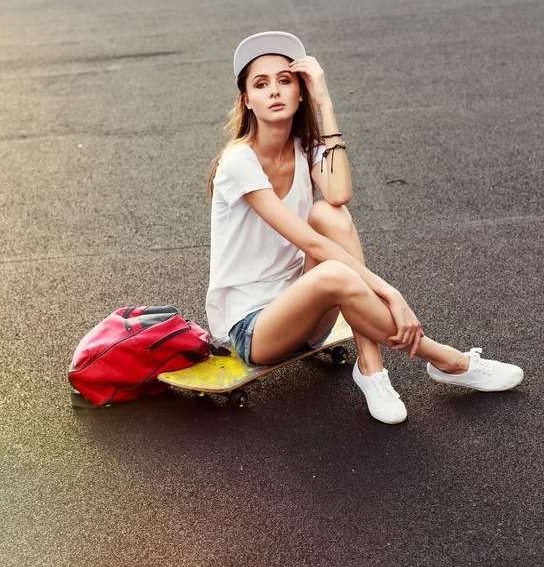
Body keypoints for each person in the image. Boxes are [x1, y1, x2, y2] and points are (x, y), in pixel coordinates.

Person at [205, 31, 523, 424]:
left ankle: (371, 368)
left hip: (306, 313)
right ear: (246, 100)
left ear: (300, 92)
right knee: (333, 267)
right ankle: (447, 360)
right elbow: (308, 242)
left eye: (284, 81)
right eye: (261, 83)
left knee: (330, 215)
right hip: (256, 329)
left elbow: (339, 193)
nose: (274, 91)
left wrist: (326, 101)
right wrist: (392, 294)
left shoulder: (303, 147)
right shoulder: (239, 162)